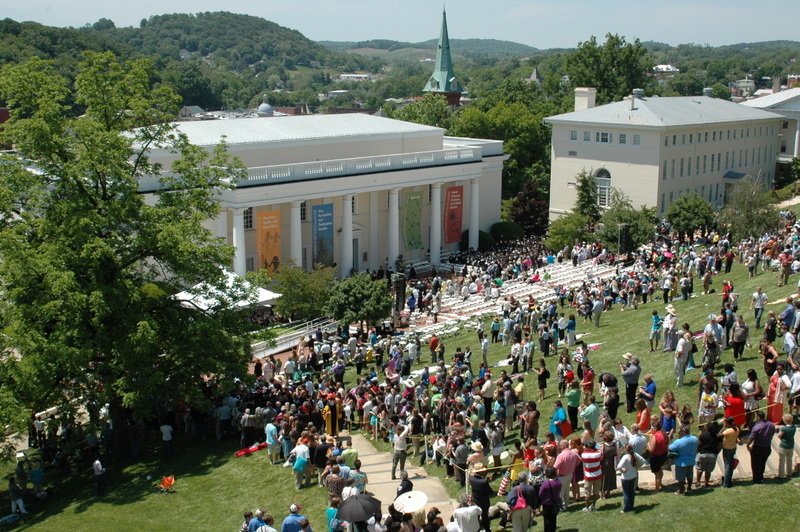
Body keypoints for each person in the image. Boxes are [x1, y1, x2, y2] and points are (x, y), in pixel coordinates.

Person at [668, 425, 698, 495]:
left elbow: (670, 448)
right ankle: (689, 488)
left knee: (681, 478)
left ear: (683, 432)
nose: (679, 433)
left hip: (681, 462)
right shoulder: (694, 438)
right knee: (690, 476)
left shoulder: (678, 441)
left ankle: (681, 490)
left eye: (679, 432)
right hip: (691, 461)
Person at [747, 410, 775, 484]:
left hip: (758, 447)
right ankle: (761, 476)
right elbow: (772, 434)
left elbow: (751, 438)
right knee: (762, 463)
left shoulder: (757, 427)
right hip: (767, 447)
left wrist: (748, 445)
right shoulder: (771, 425)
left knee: (755, 464)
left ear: (758, 417)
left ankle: (756, 479)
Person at [615, 443, 641, 513]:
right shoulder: (635, 455)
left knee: (626, 493)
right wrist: (637, 467)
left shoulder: (625, 457)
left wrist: (622, 471)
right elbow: (643, 461)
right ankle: (631, 506)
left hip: (626, 477)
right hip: (633, 476)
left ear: (626, 450)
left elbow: (618, 467)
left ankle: (625, 508)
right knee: (632, 492)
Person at [580, 439, 603, 512]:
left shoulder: (584, 454)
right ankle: (593, 505)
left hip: (588, 476)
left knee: (587, 493)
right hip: (598, 474)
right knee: (596, 492)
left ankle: (587, 507)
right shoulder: (598, 453)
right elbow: (601, 457)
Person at [695, 422, 719, 488]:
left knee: (700, 469)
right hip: (712, 455)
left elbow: (699, 445)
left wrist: (698, 451)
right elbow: (718, 445)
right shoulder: (716, 436)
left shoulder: (703, 435)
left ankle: (698, 483)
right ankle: (706, 483)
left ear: (707, 428)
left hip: (703, 454)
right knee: (708, 470)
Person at [468, 464, 492, 532]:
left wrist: (485, 478)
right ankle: (487, 529)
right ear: (480, 472)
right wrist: (486, 480)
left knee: (476, 516)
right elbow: (490, 492)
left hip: (475, 500)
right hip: (484, 502)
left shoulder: (471, 478)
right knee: (485, 516)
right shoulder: (484, 481)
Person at [647, 421, 669, 492]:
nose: (651, 429)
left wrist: (648, 444)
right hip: (663, 455)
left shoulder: (655, 436)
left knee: (657, 473)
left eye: (652, 428)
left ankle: (656, 489)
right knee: (659, 469)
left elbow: (651, 450)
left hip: (656, 457)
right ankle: (660, 483)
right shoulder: (663, 433)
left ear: (655, 428)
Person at [538, 466, 562, 532]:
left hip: (547, 504)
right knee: (553, 519)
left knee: (547, 520)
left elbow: (540, 493)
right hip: (555, 502)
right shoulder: (558, 481)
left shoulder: (546, 483)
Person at [719, 416, 739, 488]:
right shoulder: (736, 429)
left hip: (727, 449)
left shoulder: (728, 431)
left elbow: (719, 435)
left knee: (727, 466)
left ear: (728, 423)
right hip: (733, 448)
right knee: (730, 465)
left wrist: (723, 427)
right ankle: (729, 480)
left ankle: (726, 484)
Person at [777, 413, 796, 479]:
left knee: (782, 460)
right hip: (791, 445)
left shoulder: (784, 429)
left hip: (783, 446)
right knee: (789, 459)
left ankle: (781, 475)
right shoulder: (794, 427)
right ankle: (789, 473)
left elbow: (779, 436)